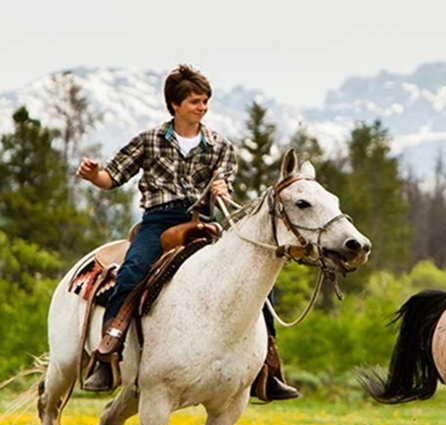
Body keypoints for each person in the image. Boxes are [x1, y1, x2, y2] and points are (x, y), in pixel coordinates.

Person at [77, 63, 298, 401]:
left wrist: (221, 189)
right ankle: (108, 352)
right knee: (133, 271)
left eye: (205, 101)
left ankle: (268, 366)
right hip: (159, 222)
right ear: (175, 105)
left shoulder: (220, 145)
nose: (202, 107)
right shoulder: (149, 140)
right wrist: (94, 176)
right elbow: (112, 178)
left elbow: (224, 180)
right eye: (195, 101)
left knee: (255, 280)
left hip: (204, 223)